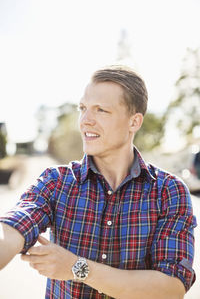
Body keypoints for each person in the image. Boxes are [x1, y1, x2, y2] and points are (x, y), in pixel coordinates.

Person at [0, 65, 197, 299]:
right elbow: (11, 230)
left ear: (134, 122)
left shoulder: (169, 191)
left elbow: (171, 289)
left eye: (101, 110)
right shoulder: (56, 182)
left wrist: (77, 268)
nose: (85, 120)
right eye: (83, 108)